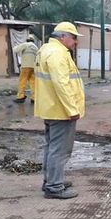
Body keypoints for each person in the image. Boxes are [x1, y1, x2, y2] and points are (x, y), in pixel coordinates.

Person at [34, 22, 85, 199]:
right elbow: (61, 84)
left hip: (50, 108)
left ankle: (50, 180)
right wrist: (72, 109)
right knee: (60, 150)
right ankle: (54, 187)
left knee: (51, 147)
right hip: (61, 110)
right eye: (74, 38)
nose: (75, 42)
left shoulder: (46, 49)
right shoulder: (57, 53)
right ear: (63, 36)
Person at [12, 34, 39, 103]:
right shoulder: (36, 47)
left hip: (25, 67)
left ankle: (20, 97)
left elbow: (15, 50)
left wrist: (16, 46)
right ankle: (34, 98)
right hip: (33, 67)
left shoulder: (25, 44)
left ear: (27, 40)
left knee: (22, 81)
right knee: (33, 82)